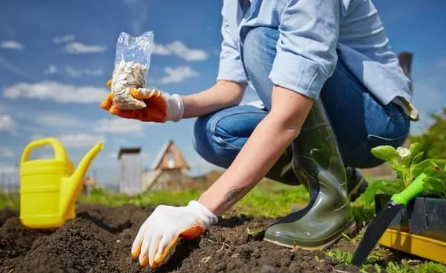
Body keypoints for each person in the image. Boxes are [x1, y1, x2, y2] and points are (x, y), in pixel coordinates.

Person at [101, 0, 419, 268]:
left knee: (260, 37)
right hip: (312, 109)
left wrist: (200, 210)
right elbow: (230, 88)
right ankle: (343, 177)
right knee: (213, 133)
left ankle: (330, 201)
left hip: (376, 123)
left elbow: (286, 117)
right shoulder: (236, 4)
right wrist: (171, 107)